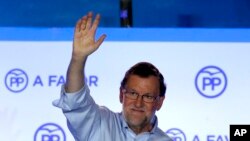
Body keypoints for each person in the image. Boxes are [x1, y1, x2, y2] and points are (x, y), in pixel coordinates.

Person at [53, 12, 173, 141]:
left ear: (159, 102)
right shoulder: (99, 124)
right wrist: (78, 58)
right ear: (121, 94)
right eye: (132, 93)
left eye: (148, 97)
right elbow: (75, 101)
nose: (138, 103)